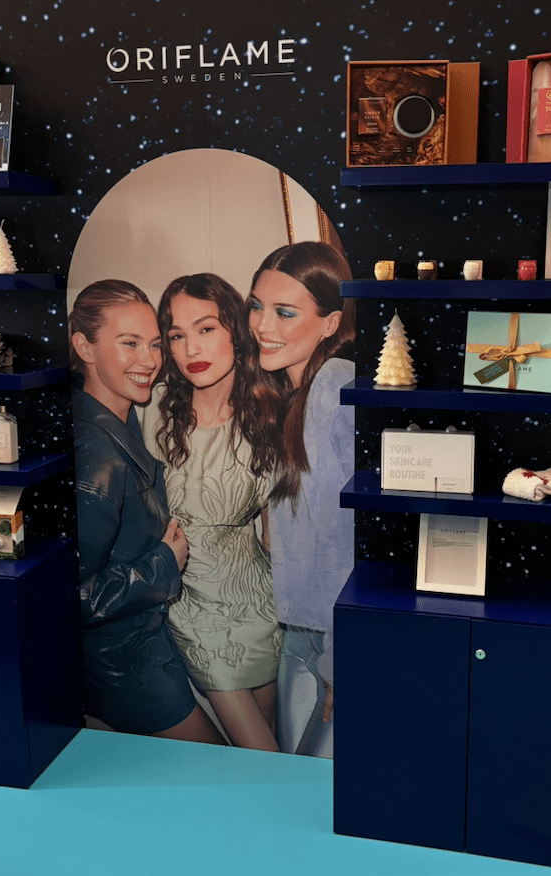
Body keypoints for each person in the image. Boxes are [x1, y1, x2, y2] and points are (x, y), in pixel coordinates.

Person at [69, 278, 224, 744]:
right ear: (85, 347)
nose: (149, 361)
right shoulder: (97, 458)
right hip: (123, 664)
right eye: (130, 343)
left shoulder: (122, 416)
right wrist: (163, 563)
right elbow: (71, 596)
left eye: (155, 344)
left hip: (147, 642)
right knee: (220, 772)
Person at [142, 273, 282, 751]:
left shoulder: (271, 414)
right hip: (191, 606)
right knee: (263, 755)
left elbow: (276, 532)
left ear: (235, 331)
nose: (190, 349)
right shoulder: (156, 408)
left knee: (265, 753)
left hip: (258, 604)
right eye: (176, 335)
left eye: (205, 329)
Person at [246, 241, 356, 758]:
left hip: (336, 638)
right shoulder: (293, 393)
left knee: (314, 788)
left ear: (330, 323)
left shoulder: (333, 385)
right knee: (293, 784)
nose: (262, 325)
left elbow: (345, 540)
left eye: (285, 312)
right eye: (257, 306)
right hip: (300, 630)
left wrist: (339, 661)